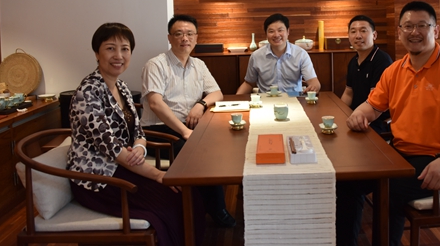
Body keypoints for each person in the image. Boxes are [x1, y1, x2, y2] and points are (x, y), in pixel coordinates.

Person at [336, 1, 440, 246]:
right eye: (408, 26)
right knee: (347, 182)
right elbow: (372, 106)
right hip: (401, 155)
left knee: (389, 190)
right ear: (399, 31)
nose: (414, 32)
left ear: (435, 30)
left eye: (422, 25)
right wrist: (359, 114)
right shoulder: (395, 70)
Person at [67, 22, 205, 246]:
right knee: (170, 201)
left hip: (125, 167)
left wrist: (140, 147)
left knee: (188, 194)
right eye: (110, 48)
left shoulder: (121, 87)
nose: (118, 56)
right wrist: (158, 175)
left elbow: (138, 131)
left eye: (125, 49)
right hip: (98, 178)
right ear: (97, 53)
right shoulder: (88, 92)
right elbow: (113, 149)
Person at [140, 14, 235, 228]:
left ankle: (205, 204)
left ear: (196, 38)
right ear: (169, 38)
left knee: (224, 141)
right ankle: (215, 209)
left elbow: (217, 93)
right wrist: (184, 131)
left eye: (190, 34)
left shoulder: (198, 65)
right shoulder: (156, 65)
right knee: (200, 153)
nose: (185, 38)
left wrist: (200, 104)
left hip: (189, 126)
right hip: (158, 130)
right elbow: (155, 104)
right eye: (179, 34)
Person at [236, 13, 321, 94]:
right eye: (271, 31)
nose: (276, 35)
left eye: (280, 30)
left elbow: (313, 82)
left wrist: (314, 87)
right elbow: (249, 83)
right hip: (266, 100)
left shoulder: (301, 54)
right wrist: (236, 99)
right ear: (266, 34)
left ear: (288, 32)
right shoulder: (256, 56)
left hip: (294, 99)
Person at [340, 15, 393, 134]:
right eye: (353, 31)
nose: (358, 36)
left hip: (375, 121)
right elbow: (348, 93)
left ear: (374, 35)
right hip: (355, 117)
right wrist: (340, 114)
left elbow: (376, 103)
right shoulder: (353, 61)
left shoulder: (382, 61)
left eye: (363, 31)